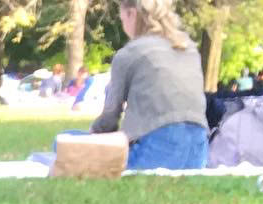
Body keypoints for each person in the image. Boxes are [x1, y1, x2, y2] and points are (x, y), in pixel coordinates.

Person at [89, 0, 207, 169]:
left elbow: (109, 118)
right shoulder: (189, 48)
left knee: (66, 140)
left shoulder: (130, 53)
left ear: (132, 14)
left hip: (154, 148)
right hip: (198, 151)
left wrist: (91, 136)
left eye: (122, 19)